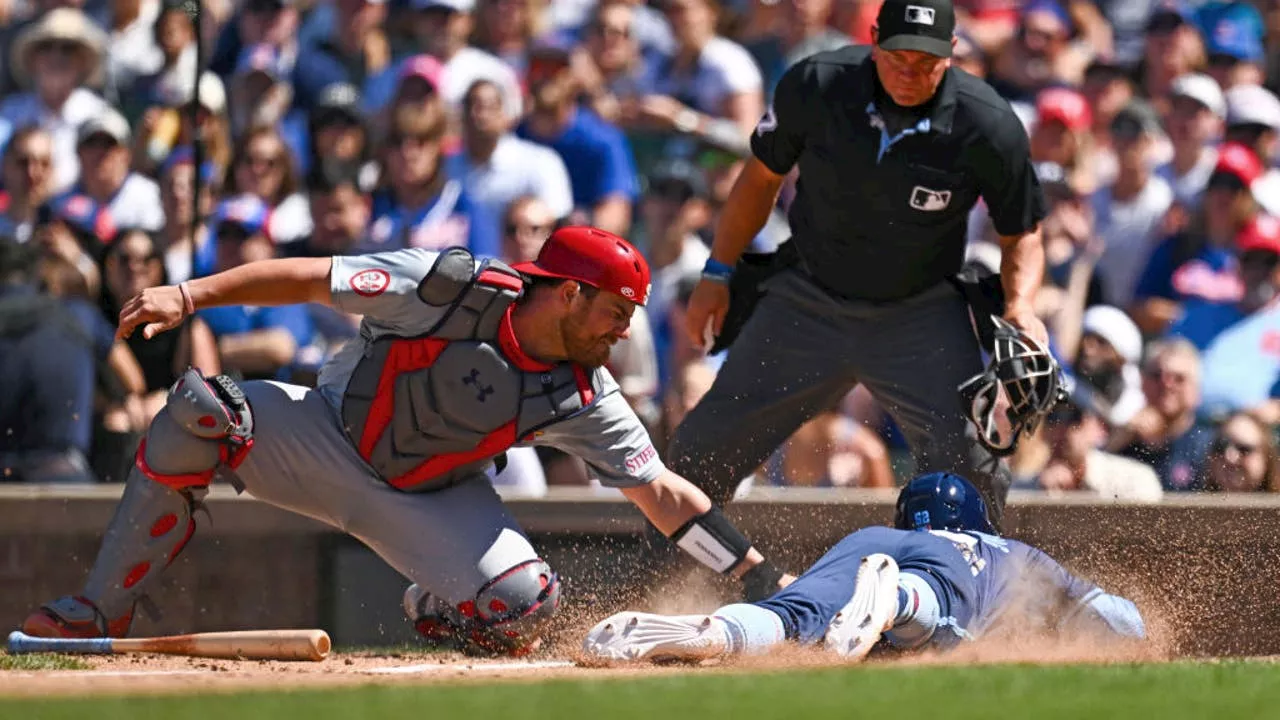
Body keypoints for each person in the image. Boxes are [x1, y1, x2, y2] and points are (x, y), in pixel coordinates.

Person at [20, 227, 792, 657]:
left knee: (524, 610)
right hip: (323, 435)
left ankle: (438, 598)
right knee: (198, 410)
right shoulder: (447, 283)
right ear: (569, 292)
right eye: (617, 312)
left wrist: (755, 574)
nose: (627, 331)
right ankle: (96, 611)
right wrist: (189, 295)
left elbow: (660, 492)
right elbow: (307, 278)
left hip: (430, 499)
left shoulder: (586, 391)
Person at [670, 0, 1052, 527]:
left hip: (919, 313)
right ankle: (667, 596)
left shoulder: (986, 123)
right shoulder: (818, 84)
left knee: (974, 464)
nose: (910, 74)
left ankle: (967, 596)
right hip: (807, 299)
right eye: (898, 58)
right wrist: (718, 272)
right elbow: (760, 179)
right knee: (698, 450)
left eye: (927, 62)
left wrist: (1022, 306)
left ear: (952, 54)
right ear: (873, 41)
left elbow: (1023, 231)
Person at [583, 472, 1145, 663]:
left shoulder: (887, 531)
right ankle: (897, 597)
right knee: (938, 613)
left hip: (872, 545)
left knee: (793, 617)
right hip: (927, 577)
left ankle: (719, 631)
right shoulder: (1014, 554)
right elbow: (1120, 623)